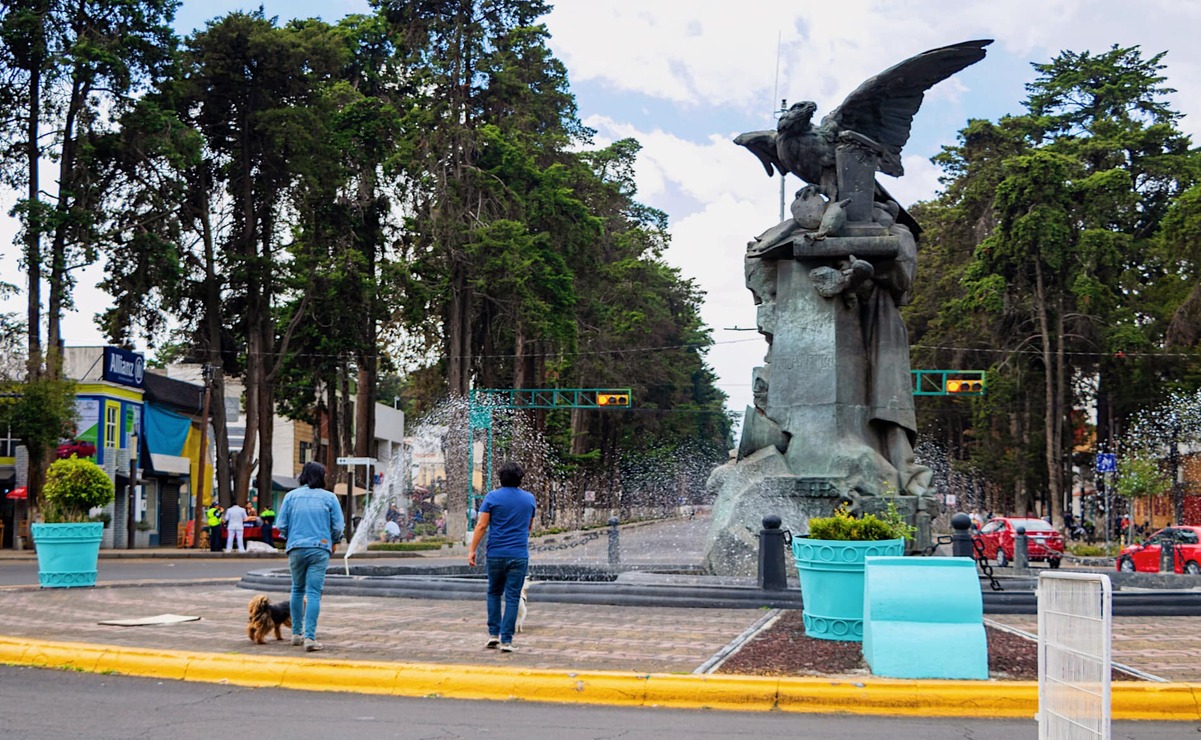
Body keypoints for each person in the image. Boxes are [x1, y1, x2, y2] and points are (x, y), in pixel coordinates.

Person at [275, 461, 344, 652]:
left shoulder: (290, 496)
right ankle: (310, 637)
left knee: (297, 589)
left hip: (295, 547)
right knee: (313, 593)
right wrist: (334, 540)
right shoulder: (329, 498)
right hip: (320, 548)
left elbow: (281, 525)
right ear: (321, 476)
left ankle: (296, 634)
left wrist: (291, 536)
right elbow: (338, 526)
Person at [467, 461, 536, 653]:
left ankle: (493, 635)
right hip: (518, 554)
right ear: (520, 479)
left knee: (494, 592)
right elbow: (529, 526)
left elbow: (481, 525)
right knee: (513, 596)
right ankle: (506, 640)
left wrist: (472, 550)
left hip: (495, 553)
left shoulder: (492, 497)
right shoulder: (529, 499)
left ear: (501, 478)